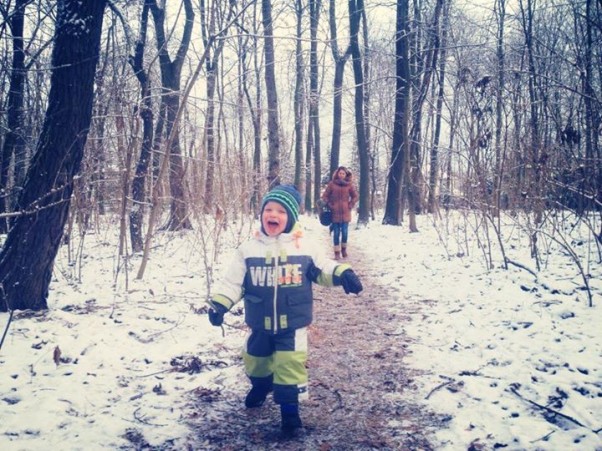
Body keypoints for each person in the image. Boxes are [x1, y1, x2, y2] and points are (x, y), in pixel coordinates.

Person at [206, 184, 363, 437]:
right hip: (259, 322)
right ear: (261, 215)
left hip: (292, 323)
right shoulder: (248, 250)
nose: (273, 214)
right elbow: (233, 283)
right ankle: (261, 385)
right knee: (255, 361)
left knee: (290, 365)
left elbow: (323, 268)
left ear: (290, 217)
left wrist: (343, 273)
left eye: (280, 210)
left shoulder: (305, 248)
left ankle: (290, 413)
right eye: (268, 209)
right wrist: (220, 304)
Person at [321, 166, 359, 259]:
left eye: (343, 173)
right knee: (336, 234)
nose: (341, 175)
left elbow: (355, 196)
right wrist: (330, 205)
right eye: (340, 173)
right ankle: (337, 252)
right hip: (335, 213)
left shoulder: (349, 185)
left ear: (346, 175)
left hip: (346, 213)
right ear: (337, 174)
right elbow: (325, 196)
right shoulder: (332, 184)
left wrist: (350, 205)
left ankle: (344, 250)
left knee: (345, 233)